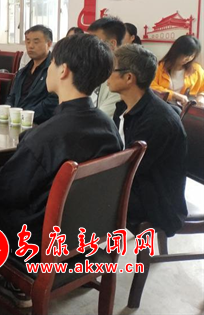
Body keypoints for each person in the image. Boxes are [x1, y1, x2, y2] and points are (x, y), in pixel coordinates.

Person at [0, 34, 123, 308]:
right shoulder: (108, 126)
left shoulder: (45, 137)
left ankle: (11, 284)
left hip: (39, 243)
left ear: (63, 71)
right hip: (87, 235)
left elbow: (5, 192)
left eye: (52, 63)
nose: (49, 68)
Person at [108, 44, 188, 237]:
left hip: (157, 201)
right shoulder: (125, 107)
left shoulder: (156, 121)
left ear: (129, 78)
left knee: (84, 197)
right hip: (139, 184)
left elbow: (130, 170)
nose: (107, 75)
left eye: (111, 69)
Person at [6, 25, 59, 124]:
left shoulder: (55, 70)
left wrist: (25, 115)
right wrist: (10, 113)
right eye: (28, 41)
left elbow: (51, 103)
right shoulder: (22, 72)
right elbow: (11, 97)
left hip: (38, 125)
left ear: (49, 44)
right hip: (16, 122)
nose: (30, 46)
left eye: (36, 42)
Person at [87, 16, 126, 117]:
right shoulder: (94, 68)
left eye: (94, 41)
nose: (88, 46)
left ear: (112, 44)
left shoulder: (122, 78)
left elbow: (99, 119)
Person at [150, 35, 204, 106]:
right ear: (176, 52)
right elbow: (151, 87)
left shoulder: (196, 70)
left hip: (184, 108)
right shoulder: (160, 67)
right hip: (161, 105)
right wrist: (174, 95)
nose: (188, 59)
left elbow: (202, 88)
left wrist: (201, 97)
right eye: (186, 55)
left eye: (192, 56)